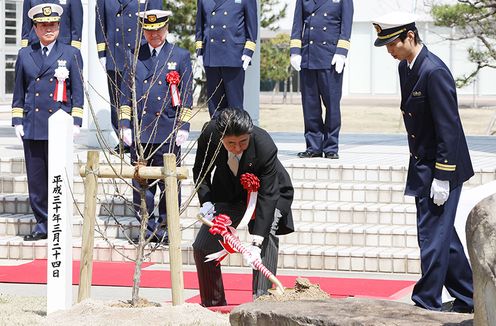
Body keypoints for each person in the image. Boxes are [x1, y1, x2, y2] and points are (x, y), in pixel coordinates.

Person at [373, 12, 474, 313]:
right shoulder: (407, 68)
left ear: (411, 36)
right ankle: (470, 296)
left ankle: (426, 301)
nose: (390, 50)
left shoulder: (434, 72)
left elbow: (449, 127)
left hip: (443, 167)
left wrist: (443, 176)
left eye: (393, 43)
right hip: (422, 165)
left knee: (431, 235)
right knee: (443, 237)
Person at [192, 107, 294, 306]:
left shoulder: (264, 144)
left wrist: (256, 242)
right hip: (227, 194)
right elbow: (201, 171)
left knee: (266, 235)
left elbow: (268, 195)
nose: (237, 148)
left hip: (267, 193)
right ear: (220, 138)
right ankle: (213, 303)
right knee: (202, 246)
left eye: (243, 142)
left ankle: (262, 302)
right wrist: (206, 201)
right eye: (231, 143)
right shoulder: (209, 134)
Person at [118, 9, 193, 244]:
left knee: (169, 184)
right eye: (149, 31)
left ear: (166, 28)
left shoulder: (179, 56)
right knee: (142, 185)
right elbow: (124, 95)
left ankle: (168, 227)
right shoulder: (134, 56)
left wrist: (184, 124)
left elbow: (187, 92)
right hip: (141, 132)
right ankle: (147, 228)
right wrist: (124, 124)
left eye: (158, 30)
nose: (154, 35)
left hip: (168, 130)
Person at [12, 3, 84, 241]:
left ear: (59, 25)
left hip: (59, 124)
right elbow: (19, 91)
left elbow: (78, 91)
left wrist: (76, 121)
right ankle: (43, 224)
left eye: (52, 24)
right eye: (43, 25)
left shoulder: (70, 53)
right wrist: (17, 120)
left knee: (57, 177)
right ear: (34, 27)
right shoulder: (25, 54)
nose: (48, 29)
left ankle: (58, 223)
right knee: (36, 179)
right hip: (33, 125)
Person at [290, 0, 354, 159]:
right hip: (309, 56)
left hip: (330, 57)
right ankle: (313, 146)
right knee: (310, 106)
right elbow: (297, 24)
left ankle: (331, 146)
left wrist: (341, 52)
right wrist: (295, 51)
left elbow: (346, 25)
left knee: (332, 104)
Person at [95, 0, 163, 151]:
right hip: (115, 53)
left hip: (141, 54)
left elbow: (157, 18)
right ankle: (124, 139)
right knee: (117, 100)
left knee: (143, 98)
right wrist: (102, 52)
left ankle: (145, 137)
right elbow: (100, 23)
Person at [195, 0, 257, 117]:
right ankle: (217, 134)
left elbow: (251, 25)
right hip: (211, 55)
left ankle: (236, 134)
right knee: (215, 106)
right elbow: (199, 26)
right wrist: (200, 51)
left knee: (235, 106)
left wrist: (248, 51)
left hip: (234, 55)